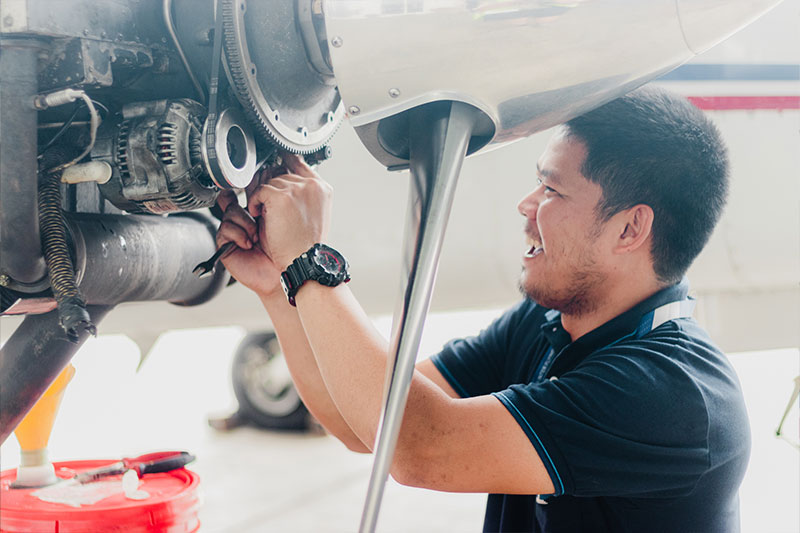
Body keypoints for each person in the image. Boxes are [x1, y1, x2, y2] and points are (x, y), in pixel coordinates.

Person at [216, 86, 751, 532]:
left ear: (630, 229)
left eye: (552, 189)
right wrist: (279, 286)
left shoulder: (674, 395)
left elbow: (420, 447)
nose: (527, 203)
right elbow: (367, 429)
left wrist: (311, 261)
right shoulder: (546, 321)